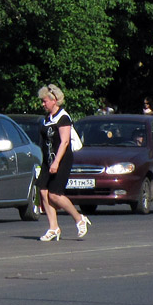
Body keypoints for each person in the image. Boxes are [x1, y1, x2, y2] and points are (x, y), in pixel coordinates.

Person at [37, 84, 90, 241]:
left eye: (45, 101)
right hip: (48, 159)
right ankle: (53, 227)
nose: (43, 104)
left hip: (61, 160)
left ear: (54, 100)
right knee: (43, 191)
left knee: (55, 194)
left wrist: (56, 163)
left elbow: (65, 142)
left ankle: (79, 218)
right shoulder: (48, 119)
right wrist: (47, 161)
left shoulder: (63, 118)